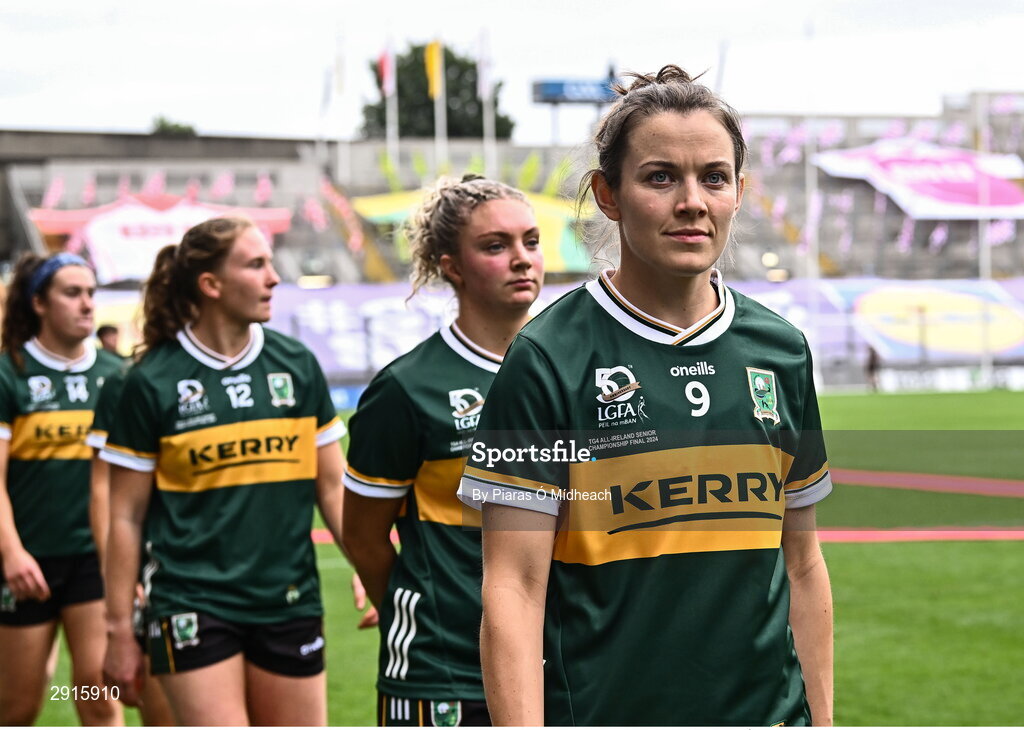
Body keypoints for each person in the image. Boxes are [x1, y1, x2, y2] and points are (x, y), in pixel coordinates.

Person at [458, 66, 834, 726]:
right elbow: (514, 589)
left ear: (739, 193)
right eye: (661, 177)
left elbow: (802, 564)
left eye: (713, 177)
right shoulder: (549, 358)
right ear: (609, 194)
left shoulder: (781, 351)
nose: (692, 201)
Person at [100, 217, 347, 725]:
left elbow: (332, 487)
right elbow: (123, 516)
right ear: (211, 284)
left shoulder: (296, 365)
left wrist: (373, 568)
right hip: (192, 603)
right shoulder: (149, 382)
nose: (274, 277)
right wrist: (119, 631)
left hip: (289, 599)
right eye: (256, 264)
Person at [342, 174, 544, 727]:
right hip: (443, 672)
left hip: (561, 663)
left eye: (530, 240)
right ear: (451, 266)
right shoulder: (408, 388)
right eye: (495, 246)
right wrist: (420, 604)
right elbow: (361, 534)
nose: (522, 259)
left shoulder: (576, 371)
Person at [0, 252, 124, 725]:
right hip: (27, 565)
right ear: (38, 303)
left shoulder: (115, 375)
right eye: (72, 293)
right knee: (19, 705)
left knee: (99, 697)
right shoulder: (9, 373)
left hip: (95, 562)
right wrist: (11, 554)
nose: (87, 304)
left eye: (91, 293)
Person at [86, 371, 175, 727]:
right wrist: (120, 586)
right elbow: (105, 493)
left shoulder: (283, 361)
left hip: (264, 589)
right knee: (85, 690)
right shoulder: (130, 381)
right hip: (163, 582)